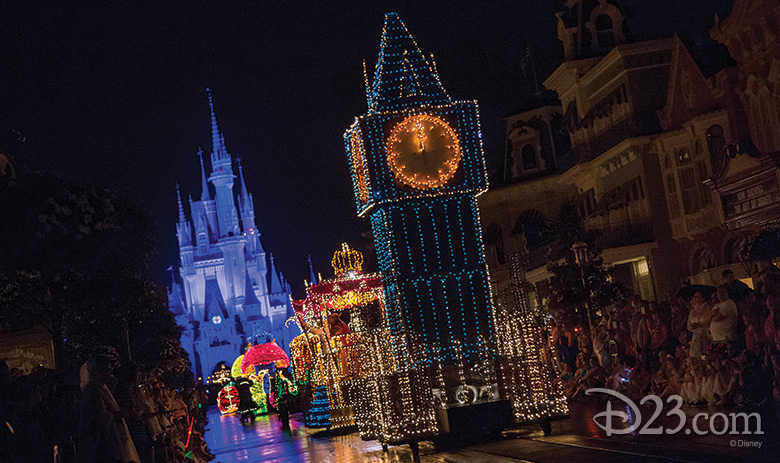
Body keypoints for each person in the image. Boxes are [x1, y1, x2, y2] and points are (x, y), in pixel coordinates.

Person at [77, 355, 139, 463]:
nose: (110, 372)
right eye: (107, 369)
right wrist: (117, 414)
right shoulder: (93, 391)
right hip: (100, 445)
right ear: (97, 372)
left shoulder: (100, 388)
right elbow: (99, 419)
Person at [710, 285, 739, 353]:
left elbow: (716, 318)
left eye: (722, 292)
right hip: (718, 339)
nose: (720, 294)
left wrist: (714, 314)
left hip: (726, 338)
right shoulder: (717, 305)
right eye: (718, 293)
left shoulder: (729, 303)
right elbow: (709, 317)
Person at [687, 292, 711, 360]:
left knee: (705, 355)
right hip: (697, 337)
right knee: (696, 357)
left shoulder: (708, 308)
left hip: (706, 335)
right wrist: (693, 326)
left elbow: (710, 320)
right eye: (694, 297)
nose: (695, 298)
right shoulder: (693, 311)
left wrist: (700, 325)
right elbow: (688, 326)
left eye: (697, 297)